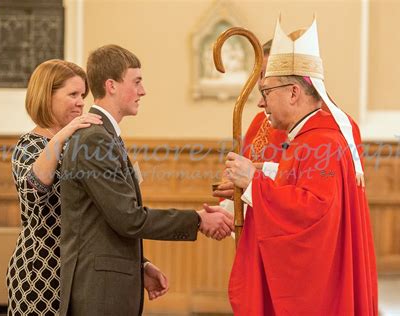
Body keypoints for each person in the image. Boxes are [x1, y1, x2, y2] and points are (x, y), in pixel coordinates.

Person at [59, 44, 234, 316]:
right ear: (111, 85)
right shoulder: (95, 138)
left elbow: (100, 221)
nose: (143, 91)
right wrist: (198, 220)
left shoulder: (104, 135)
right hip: (98, 291)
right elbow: (128, 218)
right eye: (137, 82)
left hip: (106, 283)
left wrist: (139, 265)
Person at [223, 17, 378, 315]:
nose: (260, 103)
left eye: (266, 92)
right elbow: (298, 187)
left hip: (319, 291)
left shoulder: (322, 143)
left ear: (294, 93)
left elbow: (312, 211)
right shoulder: (308, 139)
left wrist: (254, 182)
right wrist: (256, 179)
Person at [6, 59, 103, 316]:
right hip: (40, 273)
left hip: (81, 273)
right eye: (72, 94)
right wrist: (61, 135)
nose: (81, 102)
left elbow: (102, 212)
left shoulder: (81, 147)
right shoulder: (28, 146)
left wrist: (142, 263)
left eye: (82, 94)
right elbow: (33, 190)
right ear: (46, 96)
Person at [213, 39, 287, 201]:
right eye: (259, 74)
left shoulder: (331, 126)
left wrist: (250, 184)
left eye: (267, 75)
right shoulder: (261, 120)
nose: (261, 81)